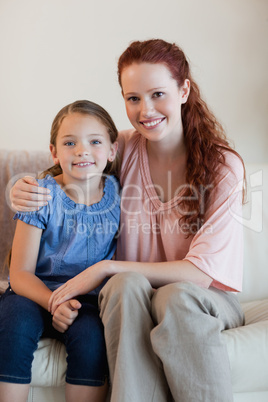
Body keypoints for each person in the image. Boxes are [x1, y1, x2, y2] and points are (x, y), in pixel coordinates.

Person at [10, 39, 245, 402]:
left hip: (201, 297)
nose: (145, 110)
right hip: (135, 293)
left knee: (174, 298)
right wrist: (21, 189)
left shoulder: (223, 166)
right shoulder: (125, 146)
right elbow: (74, 157)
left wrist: (106, 267)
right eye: (133, 98)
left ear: (183, 90)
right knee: (124, 286)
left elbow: (201, 273)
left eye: (157, 94)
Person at [0, 100, 120, 402]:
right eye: (70, 143)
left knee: (93, 341)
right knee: (15, 323)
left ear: (112, 150)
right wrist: (54, 303)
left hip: (86, 303)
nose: (82, 150)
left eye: (95, 142)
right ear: (54, 151)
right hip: (33, 294)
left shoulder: (120, 195)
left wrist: (69, 304)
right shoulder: (40, 194)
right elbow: (21, 274)